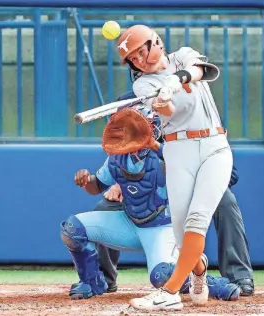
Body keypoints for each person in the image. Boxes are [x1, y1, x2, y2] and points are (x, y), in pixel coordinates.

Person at [76, 91, 254, 298]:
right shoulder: (127, 103)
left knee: (225, 200)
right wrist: (121, 182)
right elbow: (113, 168)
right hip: (145, 198)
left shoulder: (190, 114)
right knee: (104, 207)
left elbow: (229, 175)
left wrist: (174, 170)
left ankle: (237, 275)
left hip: (187, 189)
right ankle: (103, 279)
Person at [117, 24, 236, 310]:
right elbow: (169, 112)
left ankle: (169, 293)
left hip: (213, 145)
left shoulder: (183, 55)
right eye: (132, 59)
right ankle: (199, 270)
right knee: (182, 232)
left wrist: (175, 80)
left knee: (197, 219)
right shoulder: (142, 85)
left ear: (155, 42)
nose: (138, 61)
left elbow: (200, 70)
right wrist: (163, 101)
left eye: (139, 52)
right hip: (178, 149)